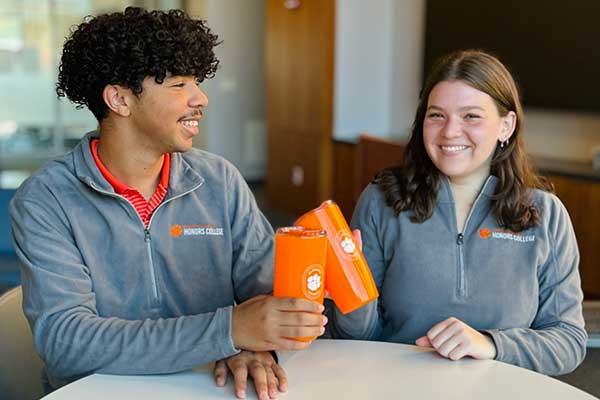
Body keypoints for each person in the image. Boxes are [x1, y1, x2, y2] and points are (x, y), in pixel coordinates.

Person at [9, 7, 327, 400]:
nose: (201, 98)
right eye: (179, 84)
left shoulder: (219, 181)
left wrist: (256, 342)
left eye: (197, 81)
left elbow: (268, 300)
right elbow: (67, 343)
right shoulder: (46, 200)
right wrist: (229, 331)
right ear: (120, 99)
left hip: (210, 387)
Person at [330, 50, 587, 375]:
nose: (450, 131)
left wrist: (491, 344)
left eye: (471, 116)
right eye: (436, 115)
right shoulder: (382, 202)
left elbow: (568, 341)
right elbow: (355, 337)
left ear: (506, 126)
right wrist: (350, 292)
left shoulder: (545, 215)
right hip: (396, 387)